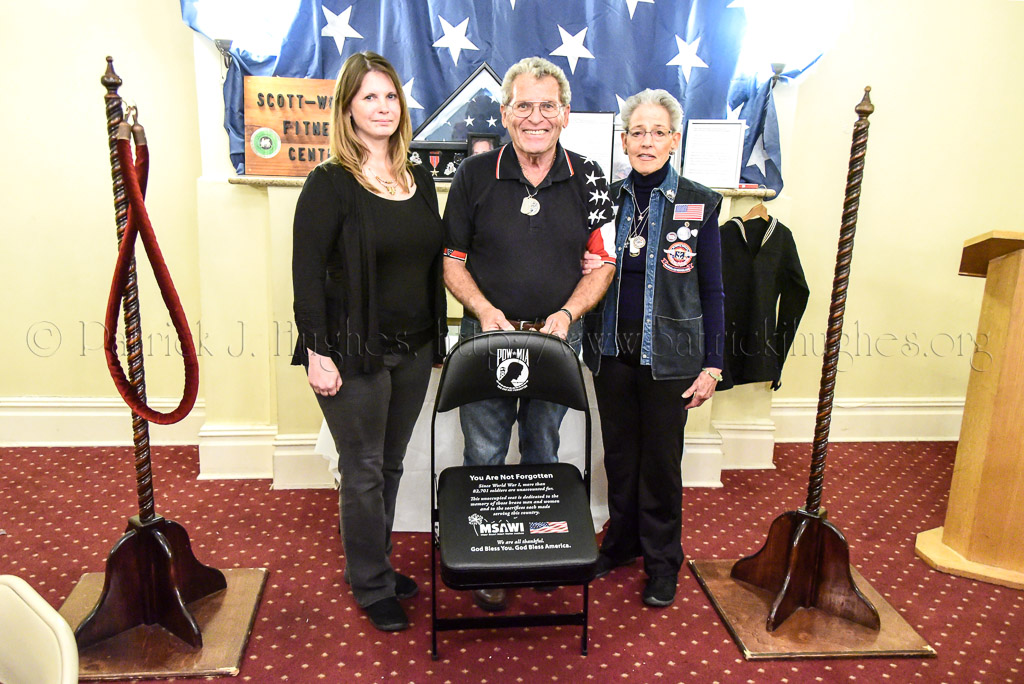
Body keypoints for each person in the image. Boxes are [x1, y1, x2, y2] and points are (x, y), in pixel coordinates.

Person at [443, 56, 616, 611]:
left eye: (547, 106)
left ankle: (542, 552)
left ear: (565, 114)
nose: (535, 116)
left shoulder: (591, 178)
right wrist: (483, 309)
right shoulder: (473, 175)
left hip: (556, 341)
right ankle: (487, 562)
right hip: (484, 337)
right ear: (505, 112)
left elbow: (604, 263)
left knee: (544, 450)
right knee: (485, 450)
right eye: (523, 105)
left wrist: (568, 314)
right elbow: (451, 261)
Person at [291, 52, 446, 632]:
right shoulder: (330, 183)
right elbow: (306, 273)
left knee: (393, 464)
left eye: (390, 97)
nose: (382, 108)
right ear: (348, 109)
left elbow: (429, 263)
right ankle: (371, 583)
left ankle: (373, 563)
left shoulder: (419, 176)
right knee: (361, 470)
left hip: (412, 347)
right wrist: (317, 351)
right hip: (351, 351)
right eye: (368, 98)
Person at [582, 89, 724, 608]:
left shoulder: (700, 201)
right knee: (619, 457)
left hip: (671, 358)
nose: (646, 141)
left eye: (657, 132)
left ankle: (663, 559)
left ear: (674, 139)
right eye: (637, 132)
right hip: (611, 356)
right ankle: (621, 544)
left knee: (661, 462)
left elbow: (712, 288)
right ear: (624, 141)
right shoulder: (606, 198)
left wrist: (713, 362)